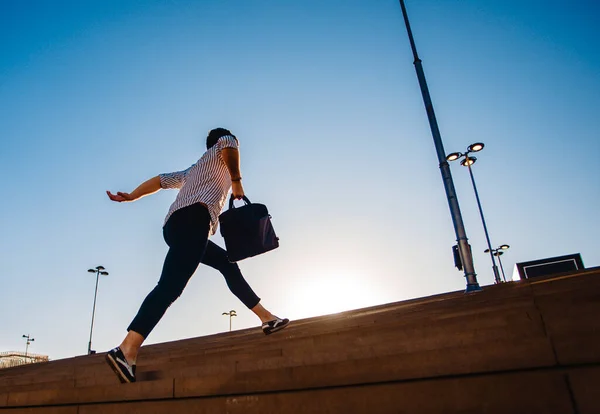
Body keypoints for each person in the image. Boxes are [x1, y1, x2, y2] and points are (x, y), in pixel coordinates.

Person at [104, 127, 289, 383]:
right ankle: (127, 349)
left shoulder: (192, 171)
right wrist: (236, 181)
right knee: (170, 287)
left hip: (177, 227)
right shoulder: (223, 147)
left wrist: (133, 196)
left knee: (227, 264)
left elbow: (160, 180)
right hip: (194, 220)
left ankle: (267, 318)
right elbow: (228, 142)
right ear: (219, 146)